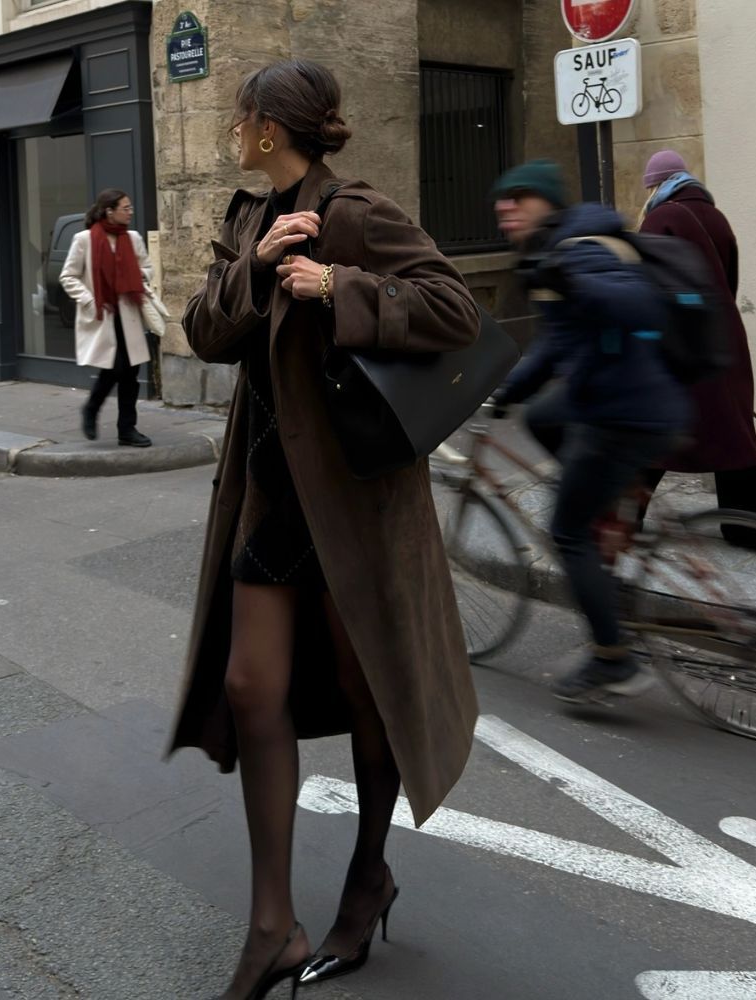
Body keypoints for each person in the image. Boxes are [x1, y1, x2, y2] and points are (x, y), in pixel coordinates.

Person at [169, 59, 480, 1000]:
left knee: (367, 691)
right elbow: (202, 332)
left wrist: (338, 284)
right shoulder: (246, 221)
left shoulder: (357, 213)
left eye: (240, 118)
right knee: (249, 687)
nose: (233, 130)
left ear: (269, 127)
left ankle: (367, 875)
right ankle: (273, 925)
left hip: (351, 505)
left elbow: (456, 309)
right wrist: (260, 266)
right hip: (271, 500)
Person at [490, 160, 690, 703]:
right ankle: (603, 498)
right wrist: (508, 391)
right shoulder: (551, 251)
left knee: (567, 532)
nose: (506, 208)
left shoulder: (580, 248)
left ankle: (612, 660)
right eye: (501, 201)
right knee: (539, 416)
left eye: (519, 197)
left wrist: (572, 280)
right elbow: (556, 343)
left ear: (548, 203)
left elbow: (636, 305)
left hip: (624, 414)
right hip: (609, 400)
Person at [639, 150, 756, 552]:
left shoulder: (662, 218)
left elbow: (648, 287)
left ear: (656, 184)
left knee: (651, 430)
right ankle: (754, 531)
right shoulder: (716, 217)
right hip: (725, 338)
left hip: (680, 343)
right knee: (733, 436)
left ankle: (616, 518)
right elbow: (729, 281)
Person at [59, 189, 153, 448]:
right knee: (115, 368)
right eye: (125, 207)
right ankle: (91, 408)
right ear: (109, 211)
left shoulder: (132, 238)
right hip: (103, 315)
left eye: (130, 207)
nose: (130, 211)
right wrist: (91, 300)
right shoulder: (85, 240)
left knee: (131, 372)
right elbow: (68, 276)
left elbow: (147, 268)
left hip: (128, 313)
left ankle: (127, 429)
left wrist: (138, 277)